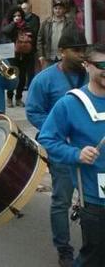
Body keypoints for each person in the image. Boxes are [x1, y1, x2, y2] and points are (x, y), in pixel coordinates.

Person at [26, 29, 89, 267]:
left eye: (84, 49)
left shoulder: (90, 74)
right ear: (61, 52)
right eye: (76, 50)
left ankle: (92, 245)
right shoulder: (44, 79)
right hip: (61, 150)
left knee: (92, 201)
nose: (82, 54)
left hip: (90, 150)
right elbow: (33, 111)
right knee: (61, 201)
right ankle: (64, 249)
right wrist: (56, 131)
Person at [39, 43, 105, 267]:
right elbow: (47, 138)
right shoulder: (70, 103)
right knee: (94, 257)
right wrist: (75, 153)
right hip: (95, 199)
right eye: (101, 64)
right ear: (87, 66)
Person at [0, 6, 35, 107]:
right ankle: (9, 98)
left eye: (19, 15)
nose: (17, 17)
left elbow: (33, 35)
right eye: (15, 16)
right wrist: (14, 24)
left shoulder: (27, 25)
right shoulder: (9, 25)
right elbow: (5, 32)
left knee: (22, 77)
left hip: (25, 54)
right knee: (12, 76)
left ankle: (19, 97)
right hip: (12, 54)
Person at [38, 0, 81, 71]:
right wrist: (41, 55)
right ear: (53, 9)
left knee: (64, 75)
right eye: (56, 8)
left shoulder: (70, 23)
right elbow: (40, 40)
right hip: (49, 56)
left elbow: (75, 39)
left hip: (64, 56)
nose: (58, 10)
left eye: (60, 8)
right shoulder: (46, 23)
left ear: (64, 10)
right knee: (49, 76)